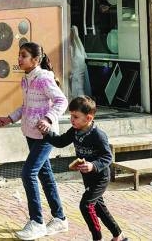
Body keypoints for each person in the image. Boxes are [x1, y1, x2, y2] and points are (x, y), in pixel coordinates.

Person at [0, 42, 69, 240]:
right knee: (46, 175)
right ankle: (60, 219)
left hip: (45, 135)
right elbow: (26, 106)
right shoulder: (26, 79)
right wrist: (9, 118)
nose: (19, 59)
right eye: (19, 55)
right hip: (31, 134)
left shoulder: (43, 78)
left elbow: (62, 101)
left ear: (35, 60)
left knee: (28, 173)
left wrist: (48, 119)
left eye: (24, 56)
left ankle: (37, 223)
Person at [43, 96, 128, 241]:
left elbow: (107, 157)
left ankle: (97, 237)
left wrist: (93, 165)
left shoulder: (98, 135)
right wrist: (46, 132)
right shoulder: (75, 131)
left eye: (75, 116)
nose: (72, 119)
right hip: (88, 177)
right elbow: (61, 141)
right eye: (71, 116)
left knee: (86, 205)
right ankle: (118, 235)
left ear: (88, 118)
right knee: (99, 207)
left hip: (101, 177)